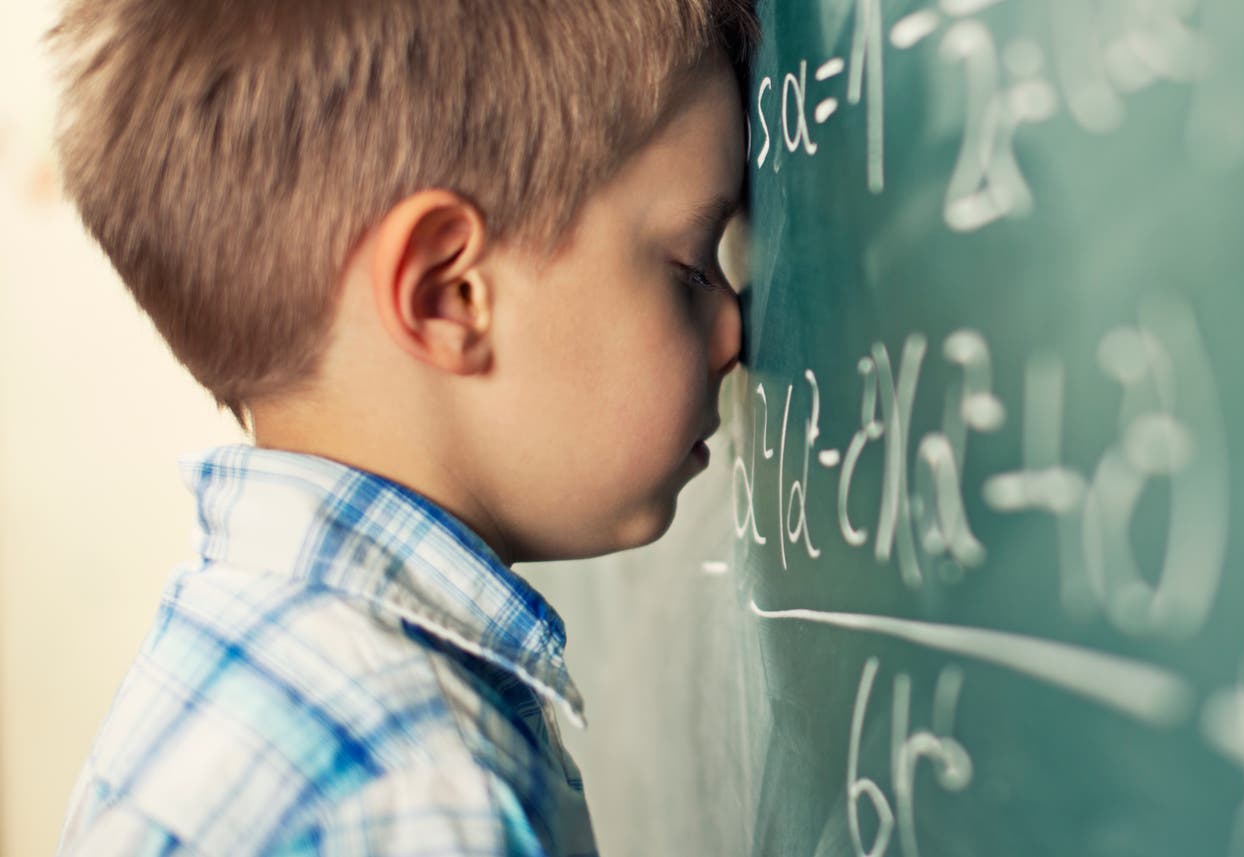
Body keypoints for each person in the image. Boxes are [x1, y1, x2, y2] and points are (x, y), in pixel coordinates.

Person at [45, 1, 757, 853]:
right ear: (448, 294)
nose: (736, 330)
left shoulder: (231, 657)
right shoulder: (421, 793)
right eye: (688, 266)